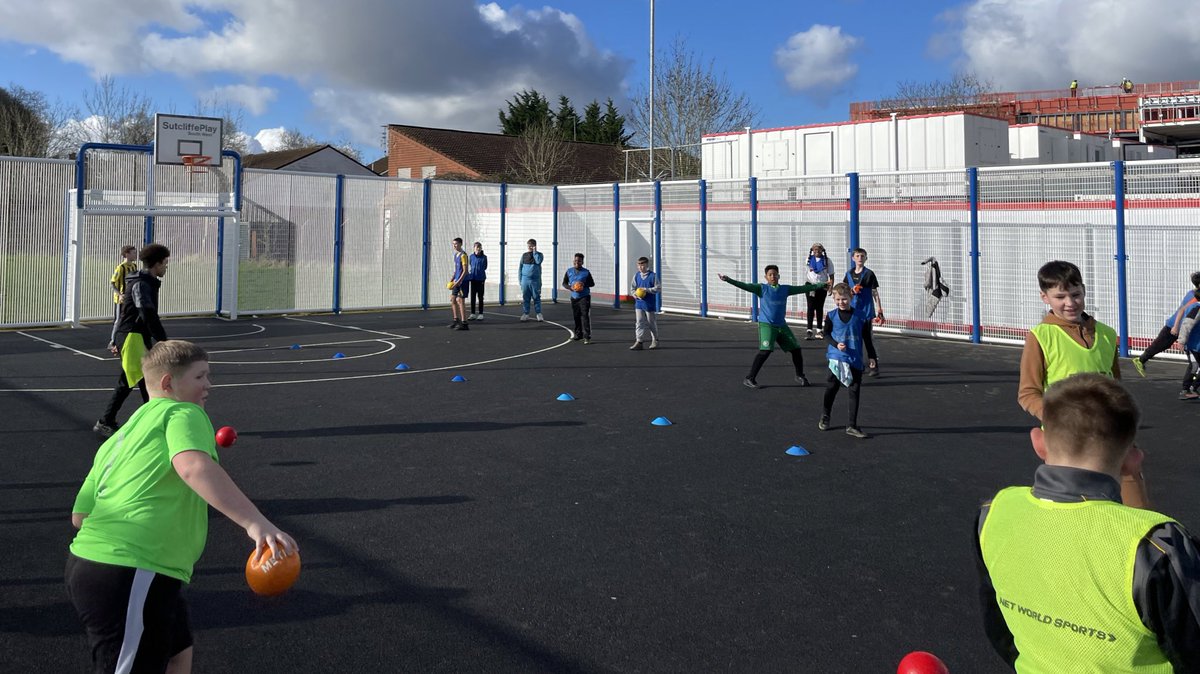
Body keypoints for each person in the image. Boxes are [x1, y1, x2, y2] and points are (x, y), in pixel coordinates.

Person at [68, 340, 298, 674]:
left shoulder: (123, 434)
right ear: (167, 384)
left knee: (178, 654)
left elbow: (80, 516)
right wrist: (256, 523)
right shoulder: (183, 412)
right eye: (200, 377)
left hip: (95, 566)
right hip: (133, 567)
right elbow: (191, 466)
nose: (209, 385)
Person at [976, 373, 1200, 672]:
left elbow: (1000, 629)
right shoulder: (1156, 544)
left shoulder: (993, 513)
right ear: (1132, 459)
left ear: (1039, 443)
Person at [1017, 260, 1150, 509]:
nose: (1070, 302)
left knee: (1132, 491)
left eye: (1076, 294)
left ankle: (1142, 541)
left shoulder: (1107, 334)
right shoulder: (1040, 337)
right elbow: (1027, 393)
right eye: (1060, 296)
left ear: (1084, 291)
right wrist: (1057, 418)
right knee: (1073, 504)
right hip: (1066, 440)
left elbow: (1115, 387)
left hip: (1108, 433)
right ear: (1044, 297)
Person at [94, 243, 170, 438]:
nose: (166, 267)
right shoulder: (141, 285)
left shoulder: (146, 282)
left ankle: (108, 421)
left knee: (132, 381)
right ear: (157, 264)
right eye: (165, 263)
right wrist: (163, 340)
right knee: (145, 380)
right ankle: (151, 424)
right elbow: (146, 312)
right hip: (131, 336)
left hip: (135, 336)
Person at [718, 265, 825, 388]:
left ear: (778, 276)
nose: (773, 276)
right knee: (765, 351)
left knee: (796, 350)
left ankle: (800, 375)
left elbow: (803, 288)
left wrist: (821, 285)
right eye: (770, 275)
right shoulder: (761, 288)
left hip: (781, 325)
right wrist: (728, 279)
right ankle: (750, 378)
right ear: (766, 277)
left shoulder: (785, 289)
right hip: (767, 325)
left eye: (775, 274)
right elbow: (744, 285)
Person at [820, 282, 868, 438]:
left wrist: (872, 356)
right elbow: (825, 334)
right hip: (837, 357)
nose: (841, 302)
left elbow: (867, 337)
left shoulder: (860, 316)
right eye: (838, 299)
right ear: (834, 299)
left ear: (851, 297)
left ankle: (852, 425)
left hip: (855, 358)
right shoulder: (831, 315)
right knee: (832, 387)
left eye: (844, 299)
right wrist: (835, 344)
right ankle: (825, 415)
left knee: (854, 390)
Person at [1130, 271, 1200, 376]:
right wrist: (1176, 326)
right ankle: (1140, 360)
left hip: (1185, 328)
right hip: (1176, 326)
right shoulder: (1194, 296)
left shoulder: (1193, 293)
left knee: (1189, 352)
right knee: (1160, 345)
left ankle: (1193, 376)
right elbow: (1182, 310)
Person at [844, 248, 884, 376]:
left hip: (865, 311)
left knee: (867, 338)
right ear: (853, 258)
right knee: (853, 338)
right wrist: (851, 291)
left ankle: (873, 364)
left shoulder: (869, 274)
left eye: (862, 256)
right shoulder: (849, 274)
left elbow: (875, 293)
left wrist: (879, 309)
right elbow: (844, 291)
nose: (860, 258)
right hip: (853, 311)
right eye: (857, 256)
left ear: (866, 258)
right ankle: (857, 364)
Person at [107, 245, 138, 349]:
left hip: (131, 299)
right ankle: (112, 341)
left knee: (131, 319)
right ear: (126, 254)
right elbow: (112, 283)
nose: (135, 255)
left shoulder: (134, 267)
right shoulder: (121, 268)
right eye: (133, 253)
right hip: (121, 300)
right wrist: (120, 295)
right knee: (118, 320)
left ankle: (127, 341)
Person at [562, 252, 596, 344]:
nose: (577, 262)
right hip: (574, 297)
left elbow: (592, 283)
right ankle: (578, 335)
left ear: (582, 262)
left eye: (579, 261)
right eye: (576, 260)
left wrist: (583, 284)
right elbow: (564, 283)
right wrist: (570, 287)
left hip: (584, 297)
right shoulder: (569, 271)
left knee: (585, 316)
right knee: (576, 316)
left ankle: (587, 337)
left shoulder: (586, 272)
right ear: (574, 261)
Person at [804, 243, 834, 340]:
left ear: (822, 250)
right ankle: (809, 329)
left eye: (819, 249)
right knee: (810, 307)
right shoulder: (809, 260)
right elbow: (808, 273)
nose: (817, 251)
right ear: (812, 250)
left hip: (822, 285)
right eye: (815, 250)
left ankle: (819, 329)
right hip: (811, 285)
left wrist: (830, 287)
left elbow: (831, 275)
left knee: (819, 307)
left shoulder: (827, 261)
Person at [629, 256, 660, 350]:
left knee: (651, 323)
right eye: (639, 265)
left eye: (642, 265)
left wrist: (646, 290)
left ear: (647, 265)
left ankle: (655, 340)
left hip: (649, 303)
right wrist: (635, 295)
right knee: (639, 322)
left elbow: (658, 288)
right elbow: (632, 288)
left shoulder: (653, 276)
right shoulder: (636, 276)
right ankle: (639, 341)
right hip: (639, 303)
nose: (640, 267)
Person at [519, 239, 544, 322]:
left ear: (535, 246)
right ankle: (526, 314)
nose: (530, 247)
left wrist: (535, 252)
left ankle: (539, 314)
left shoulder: (539, 255)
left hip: (535, 281)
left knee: (536, 297)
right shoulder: (524, 255)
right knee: (526, 297)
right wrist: (520, 280)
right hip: (525, 280)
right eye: (529, 246)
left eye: (532, 246)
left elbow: (538, 261)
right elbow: (520, 268)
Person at [448, 237, 469, 331]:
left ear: (460, 244)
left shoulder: (463, 255)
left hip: (462, 281)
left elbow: (465, 271)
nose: (454, 246)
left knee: (460, 301)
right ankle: (456, 320)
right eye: (453, 244)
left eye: (456, 244)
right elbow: (456, 270)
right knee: (452, 300)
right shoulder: (456, 255)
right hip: (456, 281)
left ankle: (464, 323)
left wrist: (459, 281)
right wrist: (452, 279)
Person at [466, 241, 488, 321]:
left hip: (481, 279)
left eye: (479, 248)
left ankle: (481, 313)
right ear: (474, 248)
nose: (478, 249)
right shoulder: (471, 256)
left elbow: (485, 267)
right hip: (473, 279)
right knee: (473, 297)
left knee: (480, 297)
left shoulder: (484, 257)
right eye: (476, 248)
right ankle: (472, 314)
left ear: (481, 248)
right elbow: (470, 265)